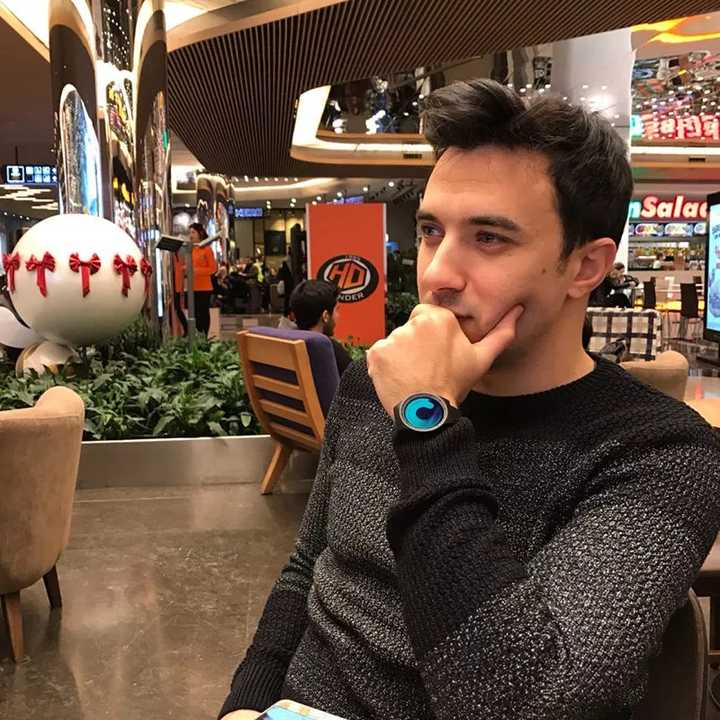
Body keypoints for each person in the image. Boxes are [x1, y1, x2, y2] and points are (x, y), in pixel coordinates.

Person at [219, 80, 720, 720]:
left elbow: (520, 701)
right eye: (432, 230)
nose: (436, 274)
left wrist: (427, 421)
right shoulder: (375, 381)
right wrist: (245, 704)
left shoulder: (663, 454)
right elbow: (307, 566)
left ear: (586, 267)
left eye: (489, 238)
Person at [289, 279, 351, 376]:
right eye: (337, 310)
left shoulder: (288, 345)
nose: (338, 315)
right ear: (325, 316)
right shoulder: (330, 350)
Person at [177, 223, 218, 336]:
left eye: (193, 232)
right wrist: (186, 268)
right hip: (192, 287)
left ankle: (204, 336)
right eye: (190, 232)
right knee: (194, 313)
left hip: (204, 288)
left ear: (200, 233)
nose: (191, 235)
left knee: (203, 313)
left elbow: (213, 269)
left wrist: (195, 270)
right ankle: (198, 335)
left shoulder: (207, 249)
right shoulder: (191, 249)